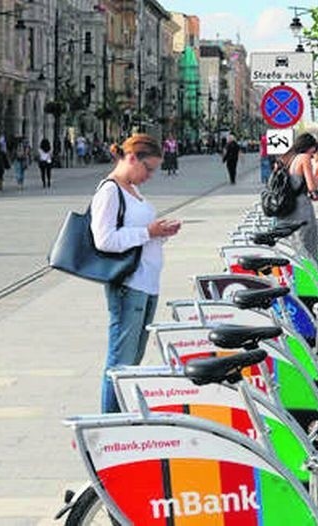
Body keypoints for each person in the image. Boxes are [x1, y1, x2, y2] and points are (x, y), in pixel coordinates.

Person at [90, 134, 181, 413]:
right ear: (131, 158)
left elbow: (139, 236)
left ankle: (120, 415)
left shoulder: (132, 189)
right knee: (120, 360)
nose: (150, 175)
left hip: (146, 282)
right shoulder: (110, 191)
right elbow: (103, 240)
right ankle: (108, 423)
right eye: (148, 168)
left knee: (133, 358)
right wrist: (147, 232)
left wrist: (159, 234)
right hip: (129, 284)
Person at [279, 133, 318, 259]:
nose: (315, 151)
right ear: (310, 146)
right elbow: (312, 186)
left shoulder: (292, 158)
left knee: (297, 242)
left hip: (291, 205)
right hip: (302, 206)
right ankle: (308, 275)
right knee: (307, 242)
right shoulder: (304, 158)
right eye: (314, 147)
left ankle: (300, 273)